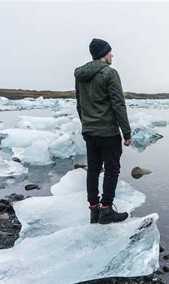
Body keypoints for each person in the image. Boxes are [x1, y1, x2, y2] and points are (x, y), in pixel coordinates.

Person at [74, 38, 132, 224]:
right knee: (112, 169)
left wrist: (87, 124)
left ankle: (94, 210)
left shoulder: (80, 75)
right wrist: (127, 132)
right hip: (108, 132)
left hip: (90, 132)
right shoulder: (110, 73)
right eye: (110, 52)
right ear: (103, 54)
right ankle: (106, 210)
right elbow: (118, 104)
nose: (112, 55)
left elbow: (79, 104)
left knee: (93, 170)